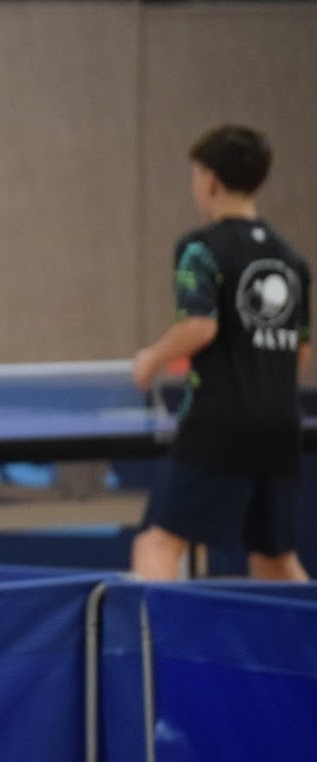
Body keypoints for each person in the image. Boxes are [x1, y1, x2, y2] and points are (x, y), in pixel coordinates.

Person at [131, 124, 311, 581]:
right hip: (281, 425)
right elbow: (300, 353)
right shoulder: (291, 260)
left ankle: (149, 632)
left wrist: (152, 358)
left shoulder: (200, 249)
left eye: (195, 176)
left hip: (218, 422)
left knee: (158, 542)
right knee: (274, 558)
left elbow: (200, 325)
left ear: (209, 181)